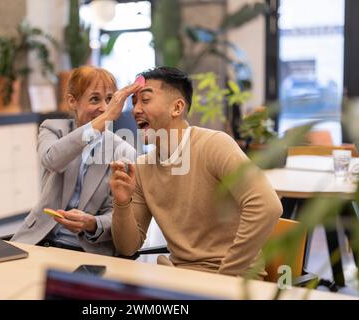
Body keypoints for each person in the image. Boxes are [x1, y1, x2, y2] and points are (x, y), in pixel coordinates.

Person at [109, 66, 283, 278]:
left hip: (234, 279)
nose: (135, 110)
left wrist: (225, 276)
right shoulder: (142, 167)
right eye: (134, 102)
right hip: (181, 279)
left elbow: (268, 207)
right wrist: (122, 202)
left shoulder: (215, 145)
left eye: (145, 100)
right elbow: (127, 247)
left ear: (177, 107)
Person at [12, 66, 140, 256]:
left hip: (86, 249)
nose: (105, 108)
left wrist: (92, 223)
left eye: (109, 100)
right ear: (72, 101)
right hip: (39, 240)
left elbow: (119, 214)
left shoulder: (123, 150)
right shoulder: (53, 129)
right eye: (95, 99)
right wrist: (103, 121)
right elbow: (52, 160)